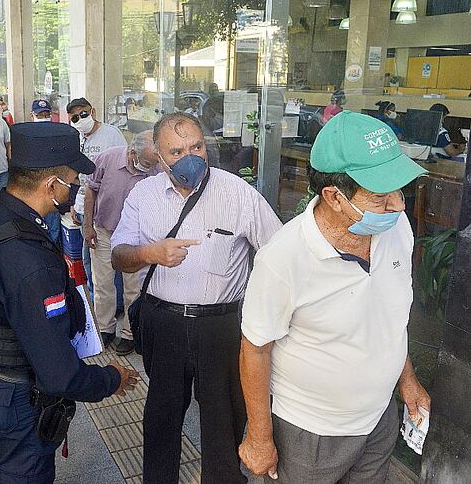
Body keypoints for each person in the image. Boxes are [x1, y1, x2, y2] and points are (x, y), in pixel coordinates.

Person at [0, 122, 140, 482]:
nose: (76, 187)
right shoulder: (31, 260)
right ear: (51, 185)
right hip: (20, 399)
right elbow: (60, 375)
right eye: (73, 180)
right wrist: (112, 379)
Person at [239, 111, 431, 484]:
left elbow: (390, 319)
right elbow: (255, 349)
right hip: (310, 433)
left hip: (379, 420)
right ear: (335, 197)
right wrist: (259, 438)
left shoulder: (397, 230)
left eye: (399, 190)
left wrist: (406, 379)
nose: (398, 205)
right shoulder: (283, 258)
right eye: (381, 196)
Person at [111, 113, 282, 483]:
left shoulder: (238, 193)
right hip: (163, 321)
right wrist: (150, 253)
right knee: (162, 414)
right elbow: (119, 257)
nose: (189, 157)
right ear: (158, 156)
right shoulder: (144, 195)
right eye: (176, 152)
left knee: (224, 418)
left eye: (197, 147)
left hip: (221, 325)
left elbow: (279, 254)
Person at [83, 130, 159, 355]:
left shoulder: (157, 168)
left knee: (133, 287)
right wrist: (88, 226)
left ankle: (129, 332)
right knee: (103, 284)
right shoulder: (108, 158)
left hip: (136, 236)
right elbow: (90, 191)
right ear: (133, 153)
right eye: (147, 163)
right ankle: (105, 328)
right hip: (104, 230)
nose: (149, 167)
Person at [68, 97, 126, 294]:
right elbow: (75, 175)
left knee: (110, 261)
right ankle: (96, 299)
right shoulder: (76, 137)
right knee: (88, 258)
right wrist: (74, 203)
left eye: (83, 114)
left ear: (92, 111)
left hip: (106, 209)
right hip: (83, 206)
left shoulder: (111, 134)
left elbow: (123, 169)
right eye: (75, 117)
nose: (80, 119)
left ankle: (115, 302)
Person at [30, 99, 60, 242]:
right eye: (40, 115)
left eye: (46, 114)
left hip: (53, 187)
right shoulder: (27, 136)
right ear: (32, 116)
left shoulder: (58, 134)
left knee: (53, 224)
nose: (44, 118)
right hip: (34, 187)